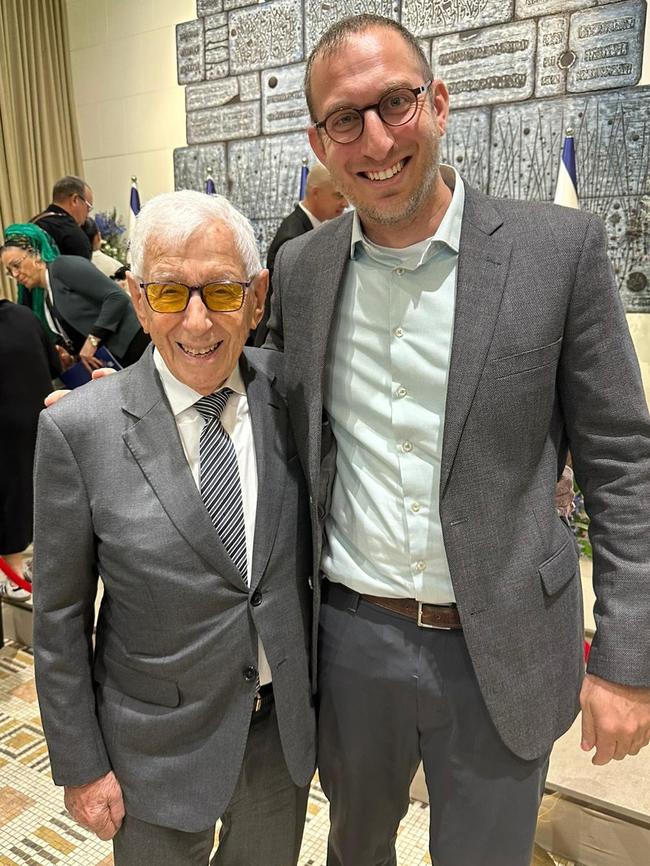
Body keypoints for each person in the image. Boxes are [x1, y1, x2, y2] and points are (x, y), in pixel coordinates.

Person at [265, 14, 650, 866]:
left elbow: (625, 465)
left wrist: (627, 656)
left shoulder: (558, 250)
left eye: (395, 103)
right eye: (344, 118)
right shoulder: (304, 268)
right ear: (319, 140)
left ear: (438, 102)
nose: (375, 139)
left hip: (503, 643)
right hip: (353, 639)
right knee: (354, 848)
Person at [32, 190, 316, 866]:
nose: (196, 323)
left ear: (257, 296)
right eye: (167, 294)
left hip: (281, 743)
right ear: (135, 296)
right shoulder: (80, 430)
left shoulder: (295, 395)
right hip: (150, 755)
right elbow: (60, 620)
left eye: (221, 293)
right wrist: (80, 765)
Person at [1, 224, 148, 372]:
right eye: (9, 271)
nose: (15, 274)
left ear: (36, 254)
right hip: (116, 357)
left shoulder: (62, 266)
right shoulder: (47, 294)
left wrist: (92, 341)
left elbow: (116, 297)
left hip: (134, 345)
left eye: (16, 265)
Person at [0, 299, 60, 601]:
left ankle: (13, 573)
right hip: (44, 416)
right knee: (42, 489)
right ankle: (43, 564)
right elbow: (54, 365)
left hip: (5, 427)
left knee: (11, 495)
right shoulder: (24, 315)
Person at [253, 163, 348, 346]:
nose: (345, 203)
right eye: (338, 195)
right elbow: (295, 309)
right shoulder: (293, 237)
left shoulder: (309, 229)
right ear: (315, 192)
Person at [31, 175, 94, 259]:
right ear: (75, 200)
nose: (87, 215)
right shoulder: (73, 235)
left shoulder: (33, 223)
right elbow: (82, 271)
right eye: (88, 207)